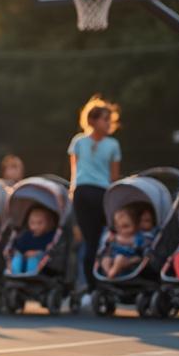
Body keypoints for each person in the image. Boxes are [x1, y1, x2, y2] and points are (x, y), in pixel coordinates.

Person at [69, 95, 122, 301]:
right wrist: (73, 193)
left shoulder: (113, 144)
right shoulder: (79, 142)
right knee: (90, 241)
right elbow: (75, 172)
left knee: (103, 239)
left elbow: (114, 177)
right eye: (104, 119)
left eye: (109, 120)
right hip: (84, 193)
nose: (108, 123)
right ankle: (91, 286)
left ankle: (101, 281)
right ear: (92, 120)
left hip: (102, 194)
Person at [7, 206, 57, 275]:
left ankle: (31, 276)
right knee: (17, 257)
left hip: (40, 262)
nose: (36, 226)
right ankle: (14, 274)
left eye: (40, 223)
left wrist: (37, 252)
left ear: (48, 223)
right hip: (24, 261)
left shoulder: (50, 236)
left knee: (33, 259)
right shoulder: (27, 235)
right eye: (32, 223)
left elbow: (49, 251)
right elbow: (18, 247)